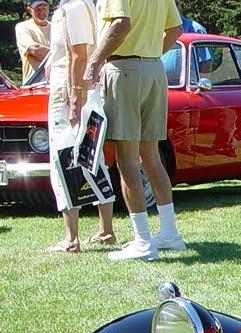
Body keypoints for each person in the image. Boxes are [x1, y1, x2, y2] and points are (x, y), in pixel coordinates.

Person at [84, 0, 184, 262]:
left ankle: (142, 242)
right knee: (151, 158)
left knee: (127, 161)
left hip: (124, 70)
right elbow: (175, 29)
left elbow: (121, 23)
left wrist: (94, 62)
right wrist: (150, 54)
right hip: (154, 69)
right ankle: (169, 233)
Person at [45, 0, 117, 253]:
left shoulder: (74, 8)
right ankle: (105, 230)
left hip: (69, 93)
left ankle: (71, 238)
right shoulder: (84, 6)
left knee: (62, 158)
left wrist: (76, 98)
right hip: (81, 90)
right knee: (92, 157)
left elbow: (79, 55)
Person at [16, 0, 52, 82]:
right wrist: (59, 55)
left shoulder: (56, 28)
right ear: (29, 10)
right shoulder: (23, 27)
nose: (41, 12)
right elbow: (34, 50)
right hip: (34, 83)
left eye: (44, 8)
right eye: (38, 9)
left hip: (55, 82)